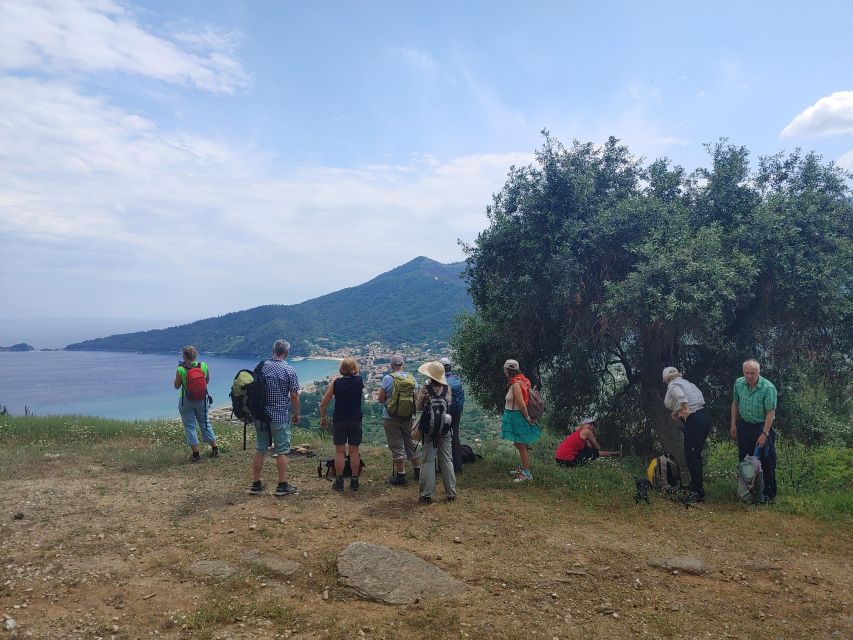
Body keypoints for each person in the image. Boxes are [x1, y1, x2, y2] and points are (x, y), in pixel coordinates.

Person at [247, 340, 300, 497]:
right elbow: (294, 395)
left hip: (260, 416)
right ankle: (282, 485)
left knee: (260, 449)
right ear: (286, 353)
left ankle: (256, 484)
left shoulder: (260, 366)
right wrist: (297, 413)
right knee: (282, 450)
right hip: (279, 416)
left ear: (273, 350)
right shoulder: (289, 370)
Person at [730, 359, 778, 502]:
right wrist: (733, 424)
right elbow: (735, 403)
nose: (749, 376)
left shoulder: (768, 388)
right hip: (744, 425)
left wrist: (764, 434)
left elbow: (771, 413)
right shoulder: (739, 383)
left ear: (759, 372)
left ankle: (767, 495)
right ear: (743, 372)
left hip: (762, 426)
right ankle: (747, 493)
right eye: (747, 373)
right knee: (745, 460)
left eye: (753, 373)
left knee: (766, 461)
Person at [662, 367, 711, 502]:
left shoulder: (673, 385)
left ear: (666, 379)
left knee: (692, 456)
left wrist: (685, 409)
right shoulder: (687, 383)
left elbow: (681, 397)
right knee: (693, 455)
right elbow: (695, 400)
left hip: (695, 421)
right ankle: (695, 487)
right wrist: (678, 411)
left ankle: (698, 492)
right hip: (703, 418)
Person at [319, 357, 364, 492]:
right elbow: (360, 397)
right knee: (354, 450)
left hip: (339, 419)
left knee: (339, 451)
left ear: (341, 369)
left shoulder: (336, 383)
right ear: (354, 368)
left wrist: (323, 418)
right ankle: (354, 481)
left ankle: (339, 482)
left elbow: (323, 403)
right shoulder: (359, 381)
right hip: (355, 418)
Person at [415, 361, 457, 504]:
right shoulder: (447, 389)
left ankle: (427, 494)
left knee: (428, 460)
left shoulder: (425, 389)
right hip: (445, 428)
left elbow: (419, 407)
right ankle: (451, 492)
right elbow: (449, 404)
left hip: (429, 430)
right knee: (446, 459)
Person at [377, 354, 421, 486]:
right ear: (403, 365)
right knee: (411, 443)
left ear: (391, 366)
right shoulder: (412, 379)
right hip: (408, 417)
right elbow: (417, 399)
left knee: (396, 445)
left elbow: (380, 399)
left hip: (390, 417)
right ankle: (418, 471)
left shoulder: (387, 379)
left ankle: (401, 476)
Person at [173, 345, 218, 462]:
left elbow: (176, 386)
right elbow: (207, 381)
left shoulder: (180, 369)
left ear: (184, 356)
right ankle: (215, 449)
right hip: (201, 399)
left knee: (190, 426)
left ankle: (196, 454)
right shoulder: (203, 366)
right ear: (195, 355)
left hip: (186, 400)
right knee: (205, 422)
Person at [501, 359, 541, 483]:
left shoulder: (516, 384)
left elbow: (522, 403)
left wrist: (527, 417)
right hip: (515, 415)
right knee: (518, 444)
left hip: (516, 416)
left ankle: (526, 473)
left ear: (507, 370)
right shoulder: (520, 381)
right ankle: (523, 468)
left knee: (521, 445)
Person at [554, 417, 621, 467]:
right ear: (584, 425)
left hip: (559, 460)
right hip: (567, 461)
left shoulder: (578, 433)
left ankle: (615, 454)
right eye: (590, 424)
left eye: (594, 425)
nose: (592, 426)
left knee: (589, 451)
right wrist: (592, 440)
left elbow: (588, 448)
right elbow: (597, 448)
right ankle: (615, 454)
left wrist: (588, 441)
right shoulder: (587, 431)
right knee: (594, 452)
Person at [441, 357, 466, 472]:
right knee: (455, 435)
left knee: (441, 436)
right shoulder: (456, 378)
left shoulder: (440, 380)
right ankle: (458, 465)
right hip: (457, 411)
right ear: (450, 367)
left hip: (444, 412)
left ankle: (443, 465)